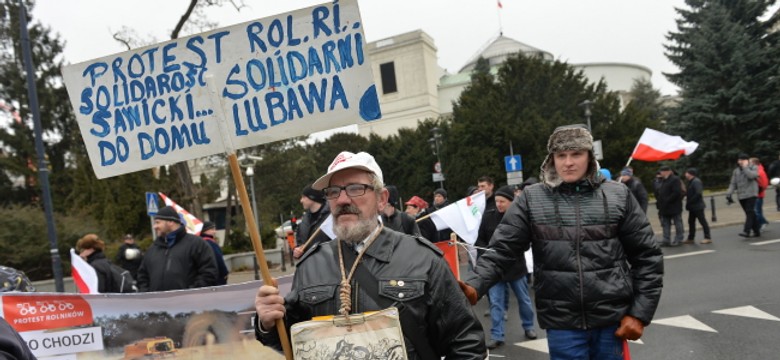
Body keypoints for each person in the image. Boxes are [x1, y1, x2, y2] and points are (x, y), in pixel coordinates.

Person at [254, 151, 486, 359]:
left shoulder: (423, 260)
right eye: (334, 192)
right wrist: (268, 323)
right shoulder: (311, 264)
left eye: (356, 188)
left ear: (381, 199)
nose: (343, 200)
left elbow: (466, 344)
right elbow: (295, 344)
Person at [462, 124, 663, 359]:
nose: (568, 162)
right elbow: (502, 249)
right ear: (551, 159)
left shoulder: (618, 195)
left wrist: (639, 313)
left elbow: (647, 256)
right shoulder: (532, 198)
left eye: (576, 154)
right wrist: (475, 284)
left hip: (612, 321)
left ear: (589, 157)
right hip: (562, 323)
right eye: (561, 155)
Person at [483, 186, 537, 349]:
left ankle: (529, 327)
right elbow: (479, 239)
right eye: (497, 201)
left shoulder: (520, 218)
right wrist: (485, 251)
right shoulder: (487, 217)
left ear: (511, 202)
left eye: (502, 201)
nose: (498, 204)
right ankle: (496, 335)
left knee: (524, 300)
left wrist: (513, 249)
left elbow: (527, 243)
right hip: (495, 268)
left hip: (516, 268)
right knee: (496, 303)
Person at [136, 206, 218, 292]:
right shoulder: (152, 249)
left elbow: (209, 273)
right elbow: (142, 276)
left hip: (187, 303)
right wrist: (148, 295)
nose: (154, 226)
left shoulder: (196, 244)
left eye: (157, 222)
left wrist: (191, 293)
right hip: (157, 303)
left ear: (171, 222)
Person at [726, 153, 761, 238]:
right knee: (750, 213)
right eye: (739, 160)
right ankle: (757, 231)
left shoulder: (753, 167)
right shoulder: (736, 171)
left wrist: (745, 167)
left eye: (742, 160)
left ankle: (746, 231)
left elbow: (751, 176)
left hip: (751, 194)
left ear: (747, 160)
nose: (740, 162)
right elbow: (733, 183)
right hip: (741, 195)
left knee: (749, 212)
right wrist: (729, 193)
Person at [293, 184, 331, 259]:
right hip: (309, 267)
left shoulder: (330, 218)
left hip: (328, 266)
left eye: (304, 197)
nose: (301, 201)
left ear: (312, 197)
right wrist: (296, 252)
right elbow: (300, 244)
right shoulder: (304, 221)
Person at [655, 165, 685, 247]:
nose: (660, 173)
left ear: (667, 171)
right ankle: (666, 240)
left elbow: (676, 192)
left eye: (662, 171)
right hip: (664, 207)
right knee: (665, 223)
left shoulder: (675, 179)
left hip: (674, 206)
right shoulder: (664, 180)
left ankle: (679, 239)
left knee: (677, 222)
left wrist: (667, 200)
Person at [683, 168, 711, 244]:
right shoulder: (691, 182)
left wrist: (690, 201)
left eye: (687, 173)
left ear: (690, 174)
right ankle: (691, 238)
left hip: (697, 206)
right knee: (691, 222)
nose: (685, 174)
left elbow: (698, 193)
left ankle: (707, 237)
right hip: (693, 206)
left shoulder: (696, 182)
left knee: (702, 221)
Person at [201, 221, 229, 285]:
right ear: (205, 230)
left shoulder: (200, 242)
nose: (214, 231)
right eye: (212, 229)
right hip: (217, 276)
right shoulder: (210, 242)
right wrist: (224, 273)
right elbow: (218, 258)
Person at [750, 157, 770, 231]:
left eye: (750, 162)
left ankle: (760, 224)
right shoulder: (756, 171)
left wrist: (759, 190)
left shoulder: (760, 172)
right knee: (757, 210)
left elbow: (764, 184)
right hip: (756, 194)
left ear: (754, 163)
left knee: (756, 211)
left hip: (758, 195)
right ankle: (763, 222)